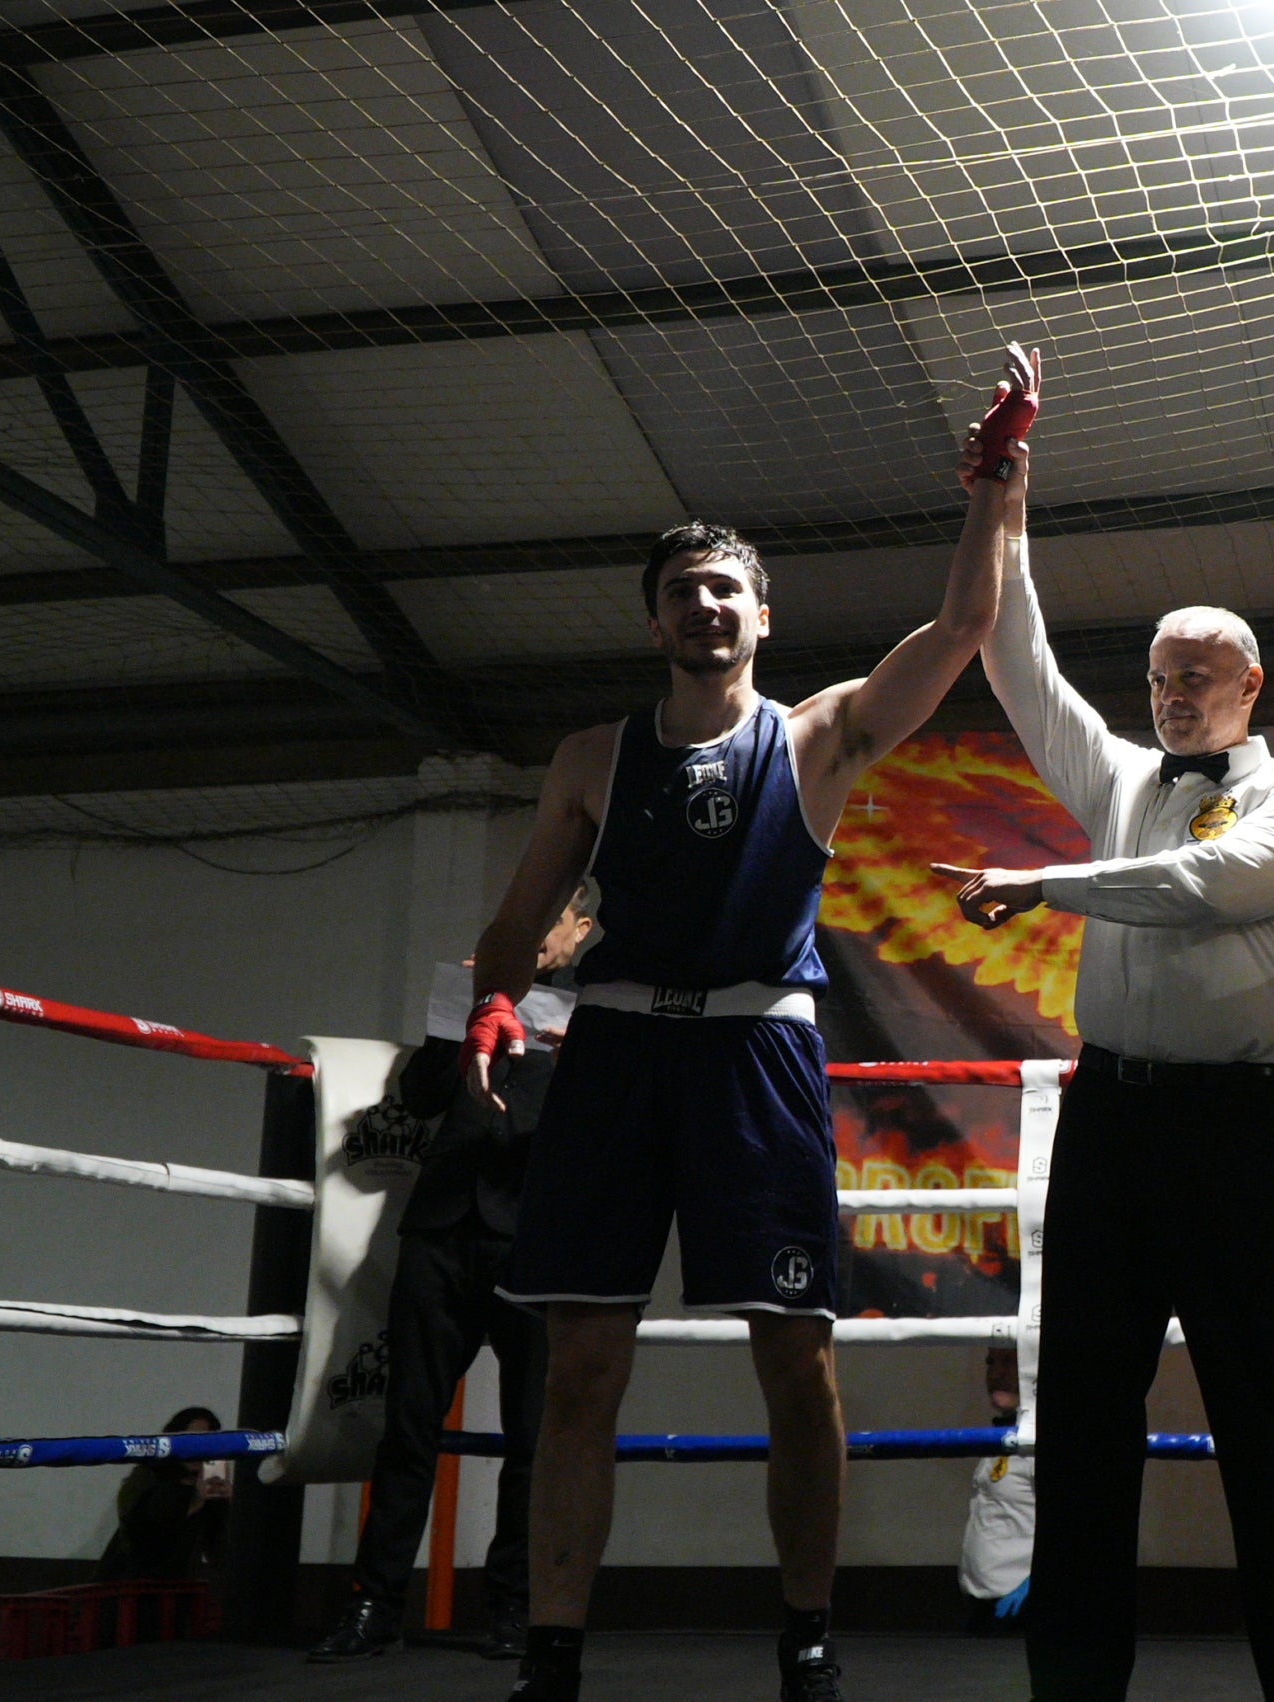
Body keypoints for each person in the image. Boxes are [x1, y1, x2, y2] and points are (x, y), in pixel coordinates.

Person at [468, 345, 1027, 1702]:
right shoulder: (592, 758)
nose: (705, 604)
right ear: (655, 623)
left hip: (756, 1052)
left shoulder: (818, 737)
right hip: (610, 1051)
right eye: (682, 591)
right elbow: (516, 916)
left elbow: (957, 633)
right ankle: (553, 1651)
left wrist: (995, 493)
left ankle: (807, 1636)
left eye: (726, 586)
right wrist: (489, 1000)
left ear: (762, 616)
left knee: (798, 1358)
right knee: (580, 1362)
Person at [930, 375, 1274, 1702]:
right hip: (1109, 1123)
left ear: (1251, 681)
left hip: (1234, 1131)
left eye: (1198, 676)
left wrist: (1040, 885)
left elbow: (1202, 890)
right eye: (1161, 676)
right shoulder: (1119, 777)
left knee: (1269, 1424)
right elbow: (1016, 660)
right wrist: (1009, 499)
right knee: (1083, 1424)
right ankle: (1073, 1686)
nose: (1173, 695)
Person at [307, 892, 591, 1664]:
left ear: (579, 929)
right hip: (442, 1227)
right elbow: (419, 1098)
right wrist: (459, 1019)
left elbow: (614, 1125)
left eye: (550, 914)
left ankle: (515, 1610)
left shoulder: (602, 1009)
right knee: (408, 1423)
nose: (533, 930)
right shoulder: (477, 996)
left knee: (534, 1437)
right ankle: (375, 1606)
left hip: (538, 1237)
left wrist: (578, 1054)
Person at [97, 1407, 228, 1580]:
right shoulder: (148, 1475)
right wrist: (195, 1499)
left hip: (179, 1589)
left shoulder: (205, 1484)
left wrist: (231, 1502)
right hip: (128, 1587)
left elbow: (219, 1549)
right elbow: (144, 1537)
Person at [959, 1348, 1034, 1636]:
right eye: (990, 1362)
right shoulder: (1005, 1437)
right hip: (984, 1608)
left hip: (1021, 1612)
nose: (995, 1373)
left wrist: (1036, 1587)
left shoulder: (1040, 1441)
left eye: (1009, 1361)